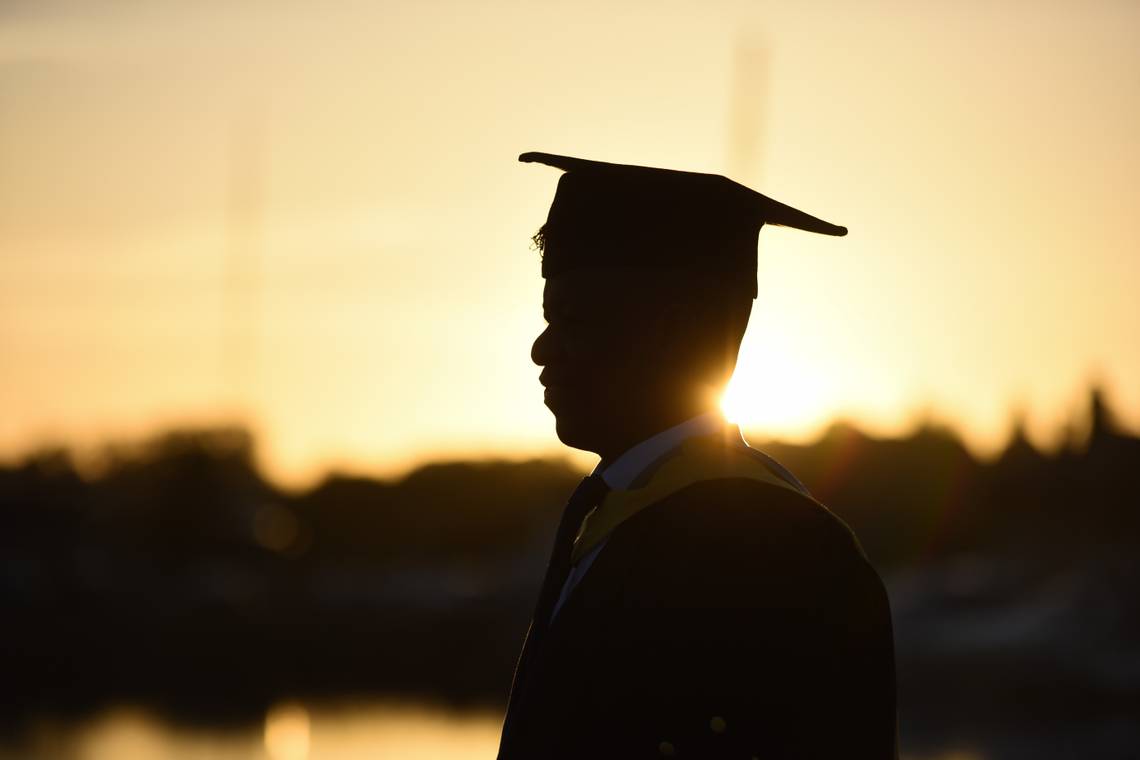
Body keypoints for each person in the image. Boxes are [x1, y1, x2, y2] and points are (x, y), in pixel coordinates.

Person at [497, 152, 897, 759]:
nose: (540, 349)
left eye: (571, 321)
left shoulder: (783, 552)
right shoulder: (606, 514)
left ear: (670, 333)